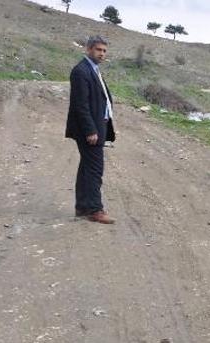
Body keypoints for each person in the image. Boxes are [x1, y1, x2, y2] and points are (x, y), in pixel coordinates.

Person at [65, 35, 116, 224]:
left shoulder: (93, 70)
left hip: (98, 125)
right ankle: (95, 209)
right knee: (95, 169)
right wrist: (90, 130)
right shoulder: (81, 71)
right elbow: (80, 105)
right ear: (88, 49)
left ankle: (82, 206)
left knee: (86, 167)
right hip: (90, 129)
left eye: (104, 51)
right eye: (98, 50)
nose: (102, 54)